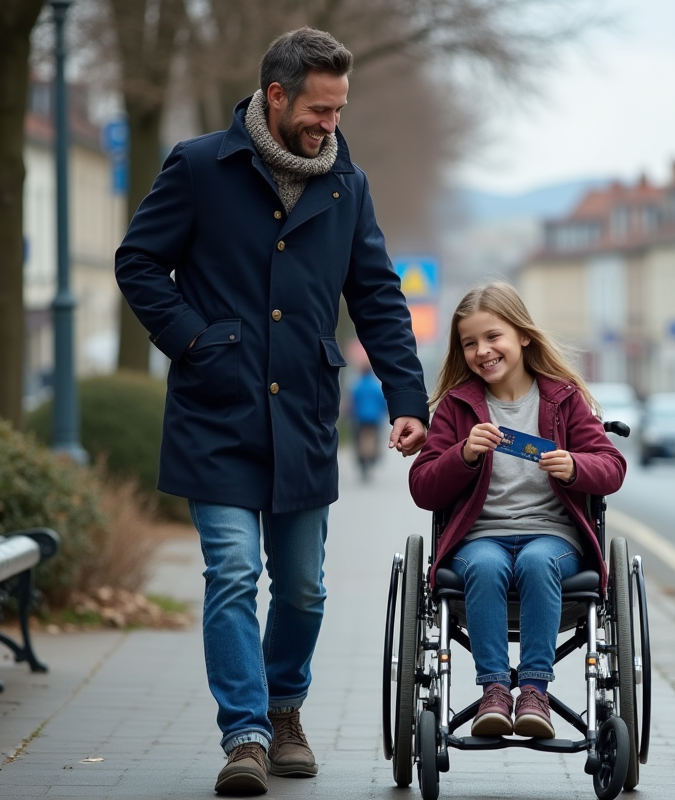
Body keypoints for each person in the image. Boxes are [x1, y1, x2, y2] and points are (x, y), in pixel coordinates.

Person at [114, 28, 428, 797]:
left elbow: (379, 297)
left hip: (305, 416)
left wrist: (407, 398)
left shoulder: (346, 183)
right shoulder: (197, 165)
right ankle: (247, 733)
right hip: (214, 409)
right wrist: (194, 341)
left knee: (302, 589)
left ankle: (285, 707)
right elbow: (139, 262)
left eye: (340, 109)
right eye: (320, 109)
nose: (331, 123)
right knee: (230, 573)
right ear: (277, 96)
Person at [408, 282, 626, 739]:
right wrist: (462, 454)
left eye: (493, 337)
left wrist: (574, 466)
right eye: (470, 343)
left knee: (536, 559)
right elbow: (424, 488)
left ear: (522, 336)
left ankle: (533, 692)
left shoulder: (562, 400)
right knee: (486, 565)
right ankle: (493, 691)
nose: (482, 351)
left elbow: (612, 466)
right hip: (478, 539)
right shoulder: (457, 407)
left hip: (553, 539)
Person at [350, 365, 388, 481]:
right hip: (374, 418)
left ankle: (362, 460)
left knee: (359, 439)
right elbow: (383, 402)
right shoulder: (375, 386)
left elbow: (352, 402)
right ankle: (373, 456)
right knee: (375, 438)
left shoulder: (357, 386)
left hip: (360, 418)